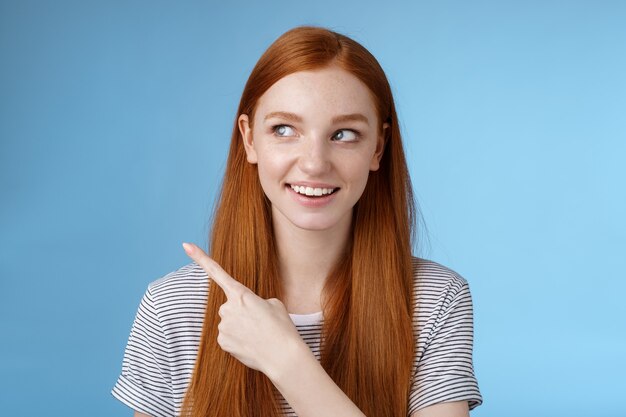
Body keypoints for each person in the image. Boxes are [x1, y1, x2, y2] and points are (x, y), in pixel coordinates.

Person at [111, 26, 482, 417]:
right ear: (250, 140)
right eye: (284, 130)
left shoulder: (435, 301)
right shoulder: (173, 308)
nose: (314, 163)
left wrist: (286, 360)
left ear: (378, 147)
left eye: (344, 134)